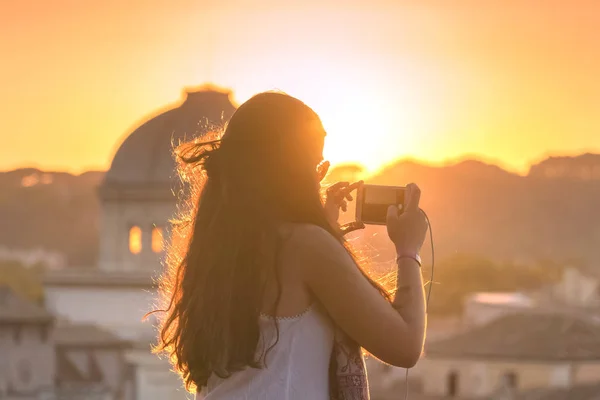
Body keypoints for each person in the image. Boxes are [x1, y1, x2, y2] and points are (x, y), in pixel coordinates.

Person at [152, 92, 428, 399]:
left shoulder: (219, 253)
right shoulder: (305, 246)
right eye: (316, 166)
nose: (319, 180)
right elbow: (405, 345)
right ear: (291, 171)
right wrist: (408, 249)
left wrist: (325, 231)